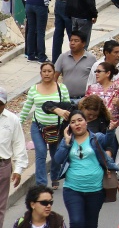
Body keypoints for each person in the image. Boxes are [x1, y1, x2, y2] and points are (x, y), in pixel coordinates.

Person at [53, 110, 118, 228]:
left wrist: (111, 130)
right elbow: (57, 159)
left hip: (96, 190)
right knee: (77, 222)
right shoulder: (67, 140)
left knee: (91, 224)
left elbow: (109, 141)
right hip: (72, 189)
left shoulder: (96, 138)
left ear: (86, 122)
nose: (77, 124)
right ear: (69, 126)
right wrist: (66, 143)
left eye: (80, 120)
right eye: (73, 122)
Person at [20, 62, 70, 188]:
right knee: (41, 152)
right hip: (38, 126)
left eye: (49, 71)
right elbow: (26, 108)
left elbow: (67, 107)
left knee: (55, 155)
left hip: (56, 128)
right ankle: (41, 184)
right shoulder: (34, 89)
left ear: (54, 73)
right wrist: (18, 123)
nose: (47, 74)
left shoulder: (62, 88)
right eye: (44, 71)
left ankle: (55, 176)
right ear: (40, 73)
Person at [0, 86, 28, 228]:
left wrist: (18, 169)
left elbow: (19, 145)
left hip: (2, 167)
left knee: (0, 206)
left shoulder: (12, 120)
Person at [54, 31, 97, 103]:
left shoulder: (91, 58)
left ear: (83, 44)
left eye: (76, 41)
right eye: (71, 40)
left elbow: (96, 79)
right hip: (65, 99)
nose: (72, 43)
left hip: (84, 99)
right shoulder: (63, 57)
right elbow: (54, 77)